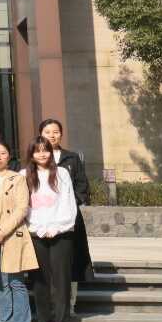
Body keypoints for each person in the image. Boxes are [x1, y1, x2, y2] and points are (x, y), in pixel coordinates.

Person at [25, 132, 79, 322]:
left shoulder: (62, 173)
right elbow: (25, 206)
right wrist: (37, 228)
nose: (42, 154)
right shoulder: (24, 175)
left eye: (45, 150)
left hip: (61, 233)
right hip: (36, 233)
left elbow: (69, 203)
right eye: (37, 151)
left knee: (62, 280)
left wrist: (58, 227)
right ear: (31, 154)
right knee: (40, 281)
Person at [0, 139, 37, 322]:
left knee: (16, 282)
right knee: (0, 283)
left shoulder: (18, 178)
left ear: (9, 156)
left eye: (2, 153)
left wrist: (3, 231)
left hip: (12, 235)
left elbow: (22, 208)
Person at [39, 118, 94, 293]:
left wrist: (69, 205)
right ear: (40, 134)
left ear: (61, 135)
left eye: (55, 132)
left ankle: (70, 301)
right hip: (42, 219)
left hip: (69, 217)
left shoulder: (71, 158)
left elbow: (82, 186)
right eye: (47, 132)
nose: (52, 136)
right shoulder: (35, 158)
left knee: (71, 260)